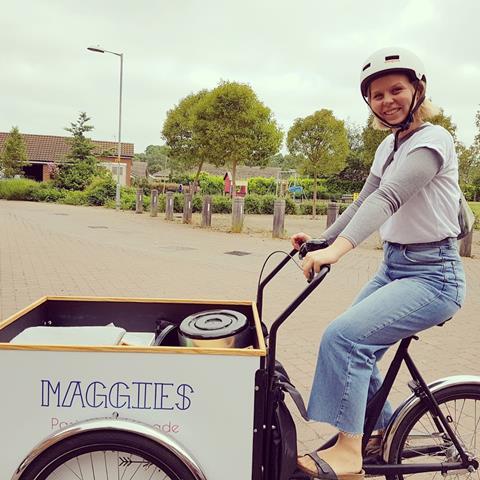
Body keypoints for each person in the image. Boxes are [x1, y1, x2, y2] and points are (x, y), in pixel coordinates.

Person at [293, 47, 466, 480]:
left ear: (417, 90)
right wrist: (322, 239)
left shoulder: (434, 139)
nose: (387, 100)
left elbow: (389, 199)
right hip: (395, 267)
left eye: (396, 90)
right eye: (376, 94)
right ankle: (380, 429)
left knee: (344, 339)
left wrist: (337, 252)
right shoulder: (388, 146)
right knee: (354, 344)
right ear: (368, 102)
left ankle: (350, 453)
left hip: (434, 274)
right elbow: (366, 199)